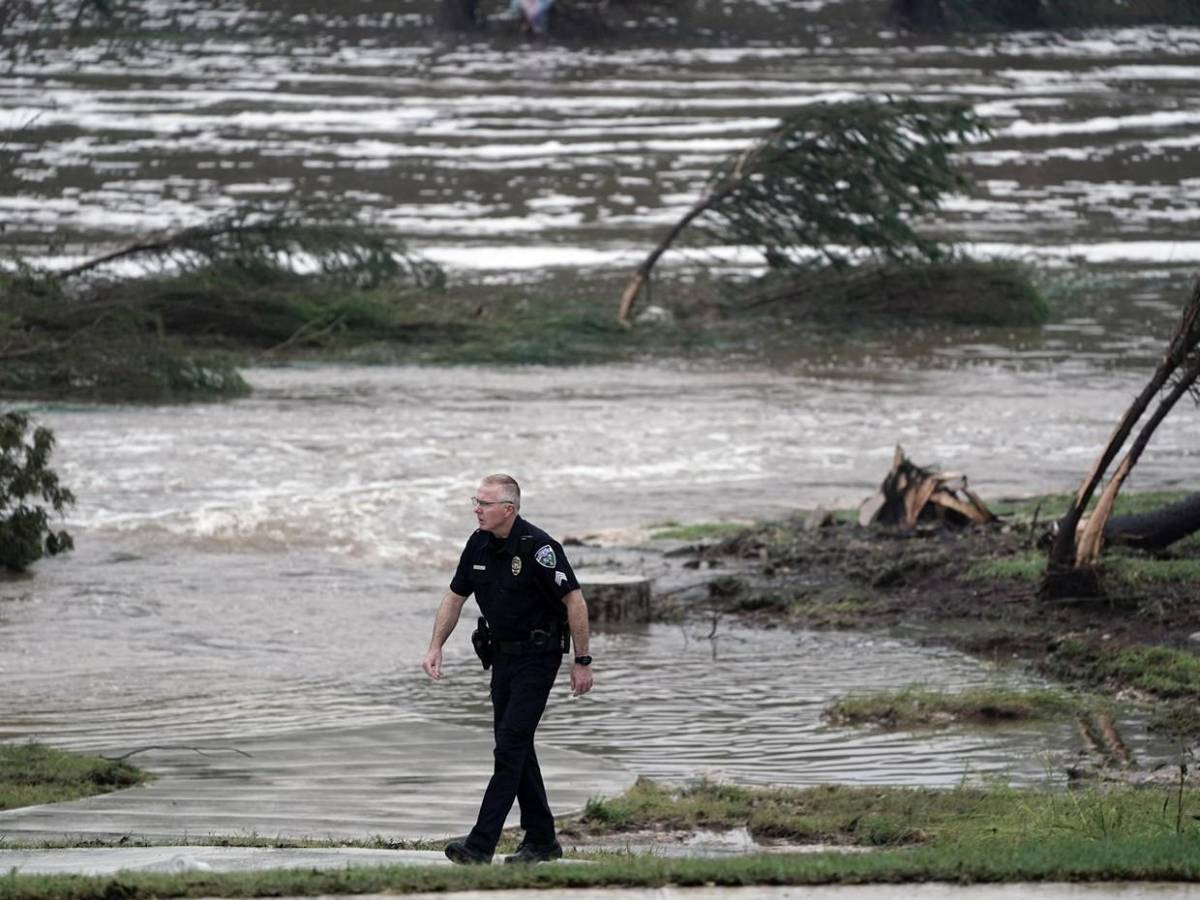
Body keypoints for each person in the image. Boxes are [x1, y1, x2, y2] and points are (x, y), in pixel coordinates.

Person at [421, 473, 594, 865]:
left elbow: (575, 601)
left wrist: (581, 660)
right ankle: (542, 839)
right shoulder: (477, 543)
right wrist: (435, 646)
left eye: (484, 503)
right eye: (475, 501)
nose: (476, 509)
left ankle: (480, 845)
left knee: (510, 745)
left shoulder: (540, 548)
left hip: (539, 656)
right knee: (517, 746)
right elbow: (455, 596)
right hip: (502, 658)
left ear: (509, 509)